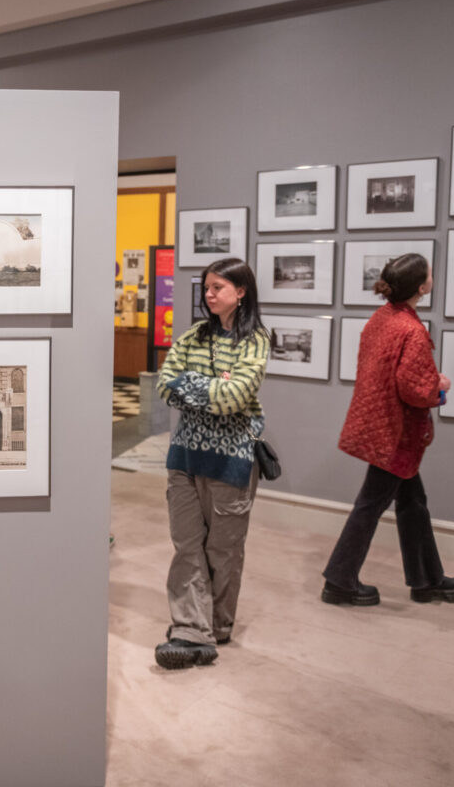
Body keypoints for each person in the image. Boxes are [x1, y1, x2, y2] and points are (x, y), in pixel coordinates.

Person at [322, 253, 454, 607]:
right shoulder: (412, 330)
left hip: (379, 423)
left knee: (413, 502)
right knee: (370, 504)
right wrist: (440, 384)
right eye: (430, 274)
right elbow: (414, 389)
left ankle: (427, 580)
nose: (432, 277)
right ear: (422, 286)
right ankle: (339, 580)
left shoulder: (381, 318)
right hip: (397, 432)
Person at [153, 257, 270, 670]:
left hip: (232, 460)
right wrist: (210, 386)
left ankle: (215, 628)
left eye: (218, 287)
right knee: (186, 544)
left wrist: (195, 386)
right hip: (184, 455)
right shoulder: (192, 336)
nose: (209, 294)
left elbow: (236, 396)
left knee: (222, 549)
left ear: (240, 292)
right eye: (206, 287)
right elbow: (165, 385)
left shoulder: (255, 339)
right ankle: (189, 628)